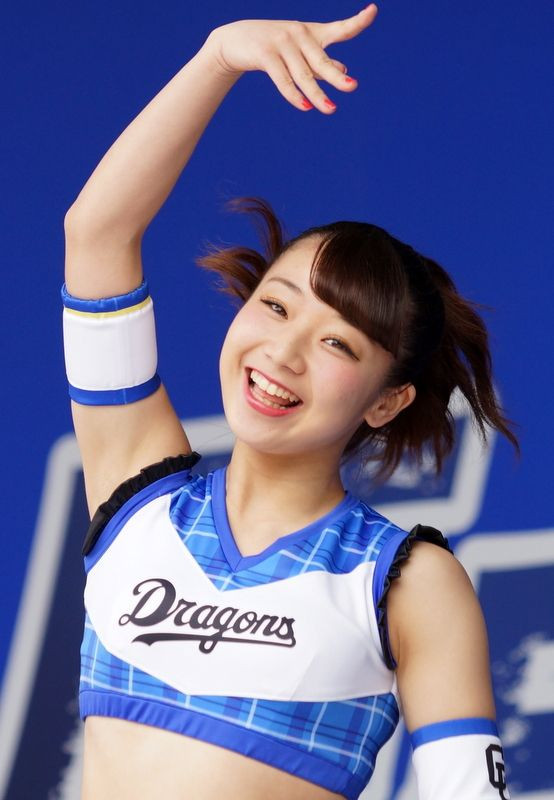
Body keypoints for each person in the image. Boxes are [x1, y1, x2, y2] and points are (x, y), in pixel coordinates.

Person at [62, 7, 516, 799]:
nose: (283, 351)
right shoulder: (138, 495)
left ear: (388, 401)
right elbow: (96, 234)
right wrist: (217, 59)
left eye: (338, 343)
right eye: (275, 306)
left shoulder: (402, 580)